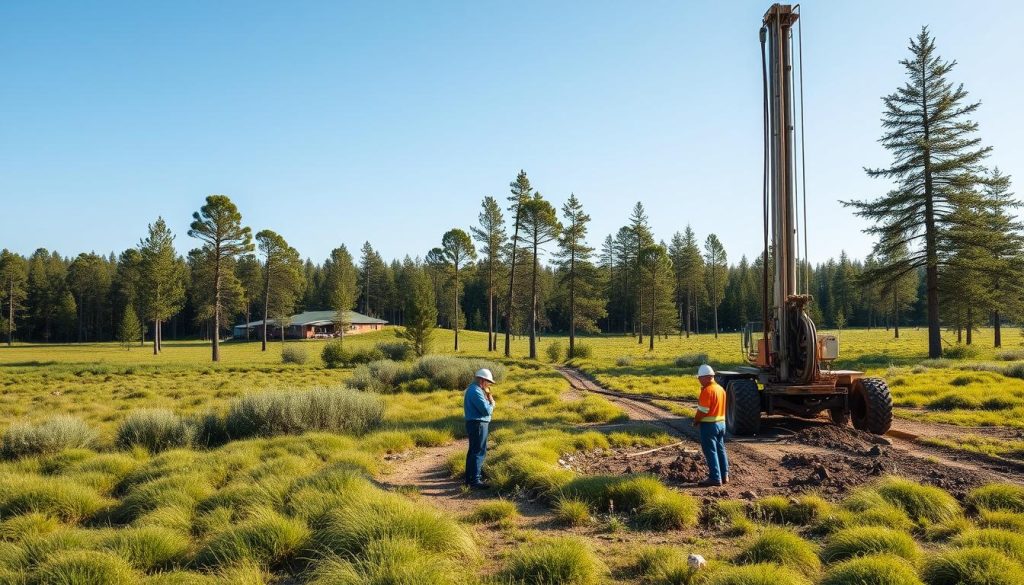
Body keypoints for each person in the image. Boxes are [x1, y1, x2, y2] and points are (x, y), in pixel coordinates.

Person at [693, 364, 729, 487]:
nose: (699, 380)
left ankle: (715, 478)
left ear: (706, 377)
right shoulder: (720, 389)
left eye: (699, 378)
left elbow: (703, 410)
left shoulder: (707, 391)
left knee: (710, 451)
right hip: (721, 424)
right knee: (720, 449)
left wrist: (696, 421)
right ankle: (724, 475)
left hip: (709, 426)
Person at [464, 368, 496, 489]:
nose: (488, 385)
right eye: (488, 382)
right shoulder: (476, 391)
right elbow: (486, 410)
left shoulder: (472, 389)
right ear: (482, 380)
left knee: (473, 451)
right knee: (479, 451)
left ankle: (470, 479)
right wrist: (492, 403)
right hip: (479, 424)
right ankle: (475, 481)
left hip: (475, 423)